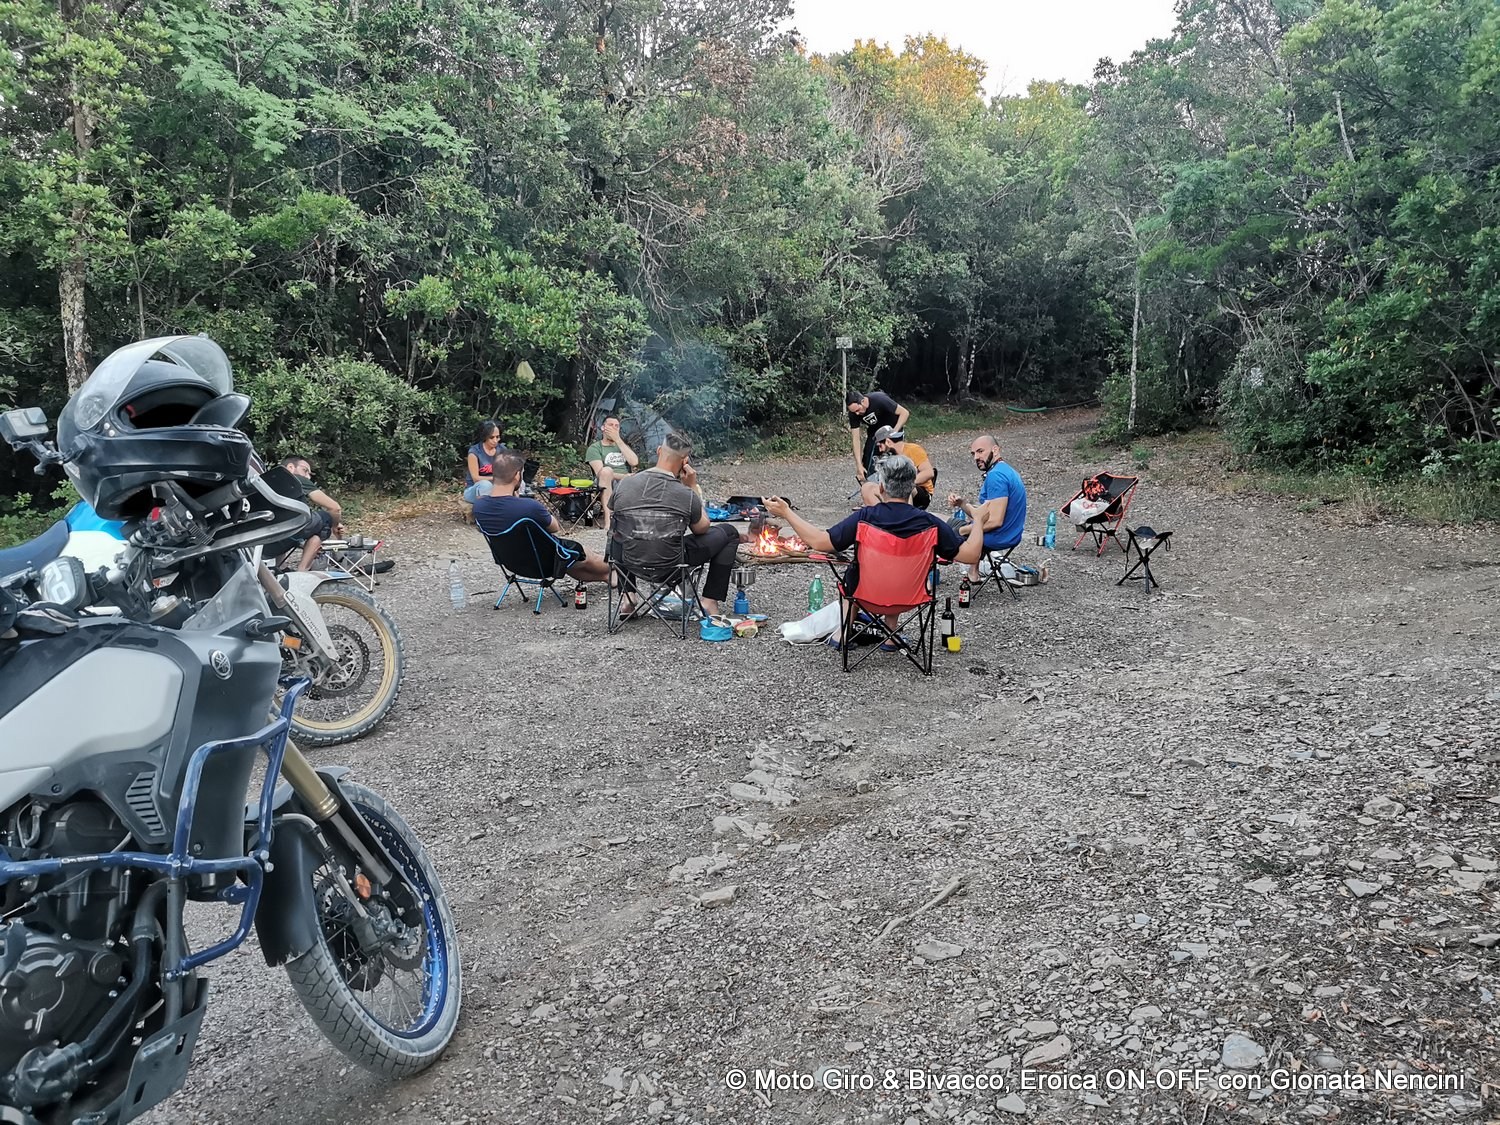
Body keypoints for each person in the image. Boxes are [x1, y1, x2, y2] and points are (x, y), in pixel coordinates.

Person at [766, 456, 985, 649]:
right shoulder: (930, 523)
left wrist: (787, 513)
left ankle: (843, 632)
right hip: (911, 597)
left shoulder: (865, 517)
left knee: (855, 571)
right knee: (899, 569)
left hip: (866, 596)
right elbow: (971, 556)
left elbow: (819, 541)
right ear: (913, 489)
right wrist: (977, 520)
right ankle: (891, 634)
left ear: (881, 488)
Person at [608, 432, 739, 617]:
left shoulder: (625, 484)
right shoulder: (684, 494)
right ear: (685, 461)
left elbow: (613, 516)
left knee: (618, 531)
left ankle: (628, 597)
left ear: (658, 451)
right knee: (730, 532)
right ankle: (709, 601)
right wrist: (692, 487)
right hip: (672, 566)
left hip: (630, 561)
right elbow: (702, 528)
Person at [473, 453, 611, 585]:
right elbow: (555, 527)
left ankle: (609, 577)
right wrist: (518, 499)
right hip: (545, 564)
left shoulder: (479, 506)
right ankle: (618, 566)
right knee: (581, 553)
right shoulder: (528, 506)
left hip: (512, 563)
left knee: (572, 560)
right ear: (517, 475)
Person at [947, 434, 1027, 579]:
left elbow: (995, 521)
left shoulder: (996, 476)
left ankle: (926, 581)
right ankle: (973, 572)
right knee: (945, 523)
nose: (976, 457)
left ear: (995, 450)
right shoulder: (1008, 471)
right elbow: (984, 514)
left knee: (936, 531)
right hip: (1012, 534)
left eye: (980, 451)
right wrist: (962, 503)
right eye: (973, 453)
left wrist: (962, 531)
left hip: (998, 536)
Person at [282, 455, 344, 571]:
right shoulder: (296, 479)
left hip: (265, 538)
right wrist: (335, 526)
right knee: (325, 518)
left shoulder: (264, 480)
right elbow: (335, 508)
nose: (308, 477)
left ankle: (280, 567)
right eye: (305, 470)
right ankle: (302, 571)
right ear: (290, 467)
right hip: (291, 530)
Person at [858, 426, 936, 509]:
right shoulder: (889, 456)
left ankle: (906, 514)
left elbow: (929, 473)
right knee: (868, 488)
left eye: (880, 446)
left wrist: (905, 482)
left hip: (920, 492)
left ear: (888, 441)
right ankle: (882, 513)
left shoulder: (914, 450)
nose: (880, 450)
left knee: (904, 488)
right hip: (895, 489)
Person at [584, 416, 639, 531]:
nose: (614, 428)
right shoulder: (595, 448)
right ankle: (609, 521)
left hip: (626, 482)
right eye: (610, 425)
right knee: (606, 471)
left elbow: (634, 462)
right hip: (605, 481)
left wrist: (618, 440)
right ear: (603, 428)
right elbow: (600, 473)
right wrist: (624, 476)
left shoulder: (622, 446)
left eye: (616, 426)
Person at [846, 389, 909, 483]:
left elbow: (904, 413)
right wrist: (859, 465)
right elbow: (856, 439)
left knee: (897, 462)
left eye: (858, 410)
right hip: (875, 433)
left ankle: (899, 484)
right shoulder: (853, 413)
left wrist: (894, 432)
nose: (857, 414)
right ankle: (871, 485)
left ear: (863, 401)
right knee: (868, 461)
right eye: (854, 412)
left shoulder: (879, 399)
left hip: (892, 429)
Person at [463, 420, 507, 504]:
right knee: (485, 485)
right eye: (491, 437)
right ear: (484, 437)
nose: (495, 440)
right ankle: (484, 509)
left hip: (497, 487)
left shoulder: (503, 450)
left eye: (497, 437)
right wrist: (497, 479)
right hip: (475, 489)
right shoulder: (474, 452)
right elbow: (476, 479)